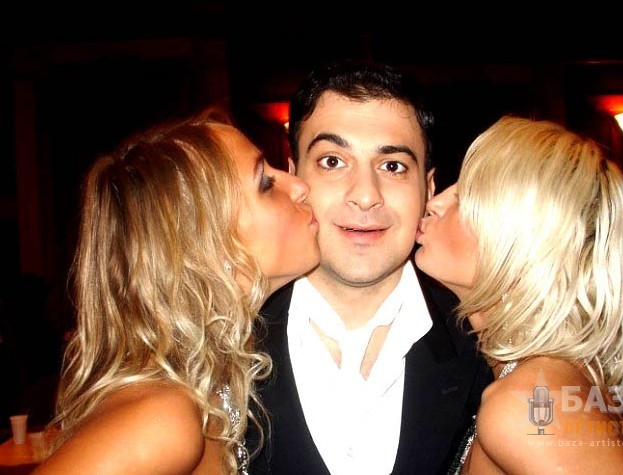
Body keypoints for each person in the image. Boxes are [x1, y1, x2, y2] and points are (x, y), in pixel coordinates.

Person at [32, 106, 320, 475]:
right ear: (205, 249)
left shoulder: (208, 387)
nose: (299, 186)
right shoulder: (162, 417)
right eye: (265, 182)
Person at [248, 60, 493, 474]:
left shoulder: (489, 350)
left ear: (428, 188)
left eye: (393, 166)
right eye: (332, 162)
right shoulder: (220, 341)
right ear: (293, 176)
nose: (365, 195)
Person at [415, 115, 623, 473]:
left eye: (464, 197)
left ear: (525, 238)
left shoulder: (528, 400)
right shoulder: (543, 377)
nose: (434, 202)